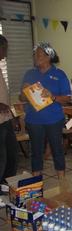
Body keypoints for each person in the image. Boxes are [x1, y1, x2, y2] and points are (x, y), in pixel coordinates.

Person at [20, 42, 71, 179]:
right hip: (33, 120)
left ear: (49, 56)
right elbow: (22, 97)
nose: (36, 57)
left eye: (39, 54)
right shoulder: (29, 74)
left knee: (57, 150)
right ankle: (37, 182)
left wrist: (53, 97)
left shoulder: (59, 74)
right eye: (35, 55)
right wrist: (25, 92)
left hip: (54, 119)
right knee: (36, 152)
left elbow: (67, 98)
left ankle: (62, 181)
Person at [0, 35, 18, 194]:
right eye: (4, 49)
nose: (5, 53)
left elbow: (4, 95)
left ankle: (6, 184)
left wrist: (11, 116)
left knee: (12, 154)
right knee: (1, 157)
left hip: (5, 119)